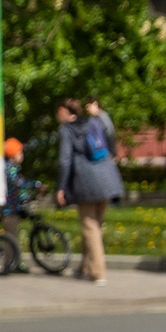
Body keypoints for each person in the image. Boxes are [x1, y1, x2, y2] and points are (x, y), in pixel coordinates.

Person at [53, 96, 122, 284]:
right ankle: (84, 268)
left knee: (90, 227)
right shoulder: (94, 122)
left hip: (85, 181)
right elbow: (110, 134)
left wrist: (61, 187)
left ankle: (98, 273)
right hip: (107, 177)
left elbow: (65, 160)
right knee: (94, 226)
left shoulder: (66, 130)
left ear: (65, 112)